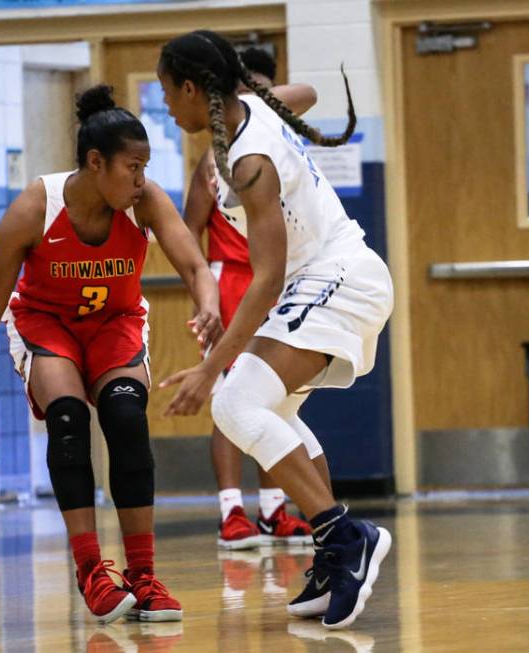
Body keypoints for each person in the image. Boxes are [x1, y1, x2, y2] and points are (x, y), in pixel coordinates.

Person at [0, 85, 221, 623]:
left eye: (145, 168)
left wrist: (207, 305)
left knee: (126, 417)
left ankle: (144, 575)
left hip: (114, 323)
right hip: (48, 325)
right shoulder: (35, 208)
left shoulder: (145, 201)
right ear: (96, 163)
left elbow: (196, 268)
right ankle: (91, 568)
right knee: (68, 417)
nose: (141, 179)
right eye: (132, 167)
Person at [156, 31, 393, 629]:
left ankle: (347, 536)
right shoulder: (250, 114)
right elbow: (307, 92)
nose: (165, 107)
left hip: (337, 278)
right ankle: (333, 558)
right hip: (325, 281)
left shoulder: (249, 160)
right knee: (275, 415)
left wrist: (211, 369)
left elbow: (265, 279)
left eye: (166, 92)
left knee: (233, 402)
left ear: (191, 89)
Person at [183, 47, 316, 550]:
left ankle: (275, 510)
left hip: (278, 281)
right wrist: (204, 300)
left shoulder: (275, 141)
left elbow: (306, 94)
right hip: (231, 280)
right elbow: (190, 233)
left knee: (275, 401)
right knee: (229, 401)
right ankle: (231, 510)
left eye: (260, 91)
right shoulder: (213, 161)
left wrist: (259, 101)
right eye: (244, 91)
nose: (251, 100)